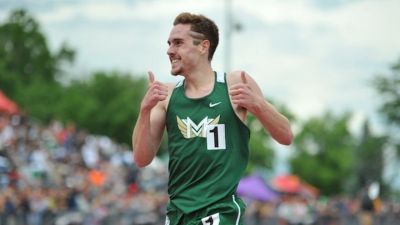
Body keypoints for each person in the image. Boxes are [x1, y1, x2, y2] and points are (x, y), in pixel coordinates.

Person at [132, 12, 293, 225]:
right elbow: (142, 158)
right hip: (178, 213)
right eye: (169, 43)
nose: (170, 50)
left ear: (203, 46)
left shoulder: (235, 83)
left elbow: (286, 135)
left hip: (219, 212)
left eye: (178, 43)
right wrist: (144, 111)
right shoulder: (166, 96)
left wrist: (259, 106)